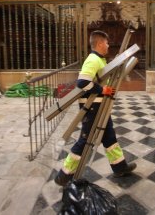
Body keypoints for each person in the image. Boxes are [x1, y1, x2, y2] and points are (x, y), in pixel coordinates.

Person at [55, 30, 137, 186]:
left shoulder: (99, 59)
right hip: (92, 107)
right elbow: (82, 82)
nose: (108, 46)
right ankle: (64, 174)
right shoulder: (92, 59)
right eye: (106, 43)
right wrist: (102, 90)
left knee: (109, 137)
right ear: (99, 43)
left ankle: (119, 167)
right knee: (84, 140)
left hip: (100, 106)